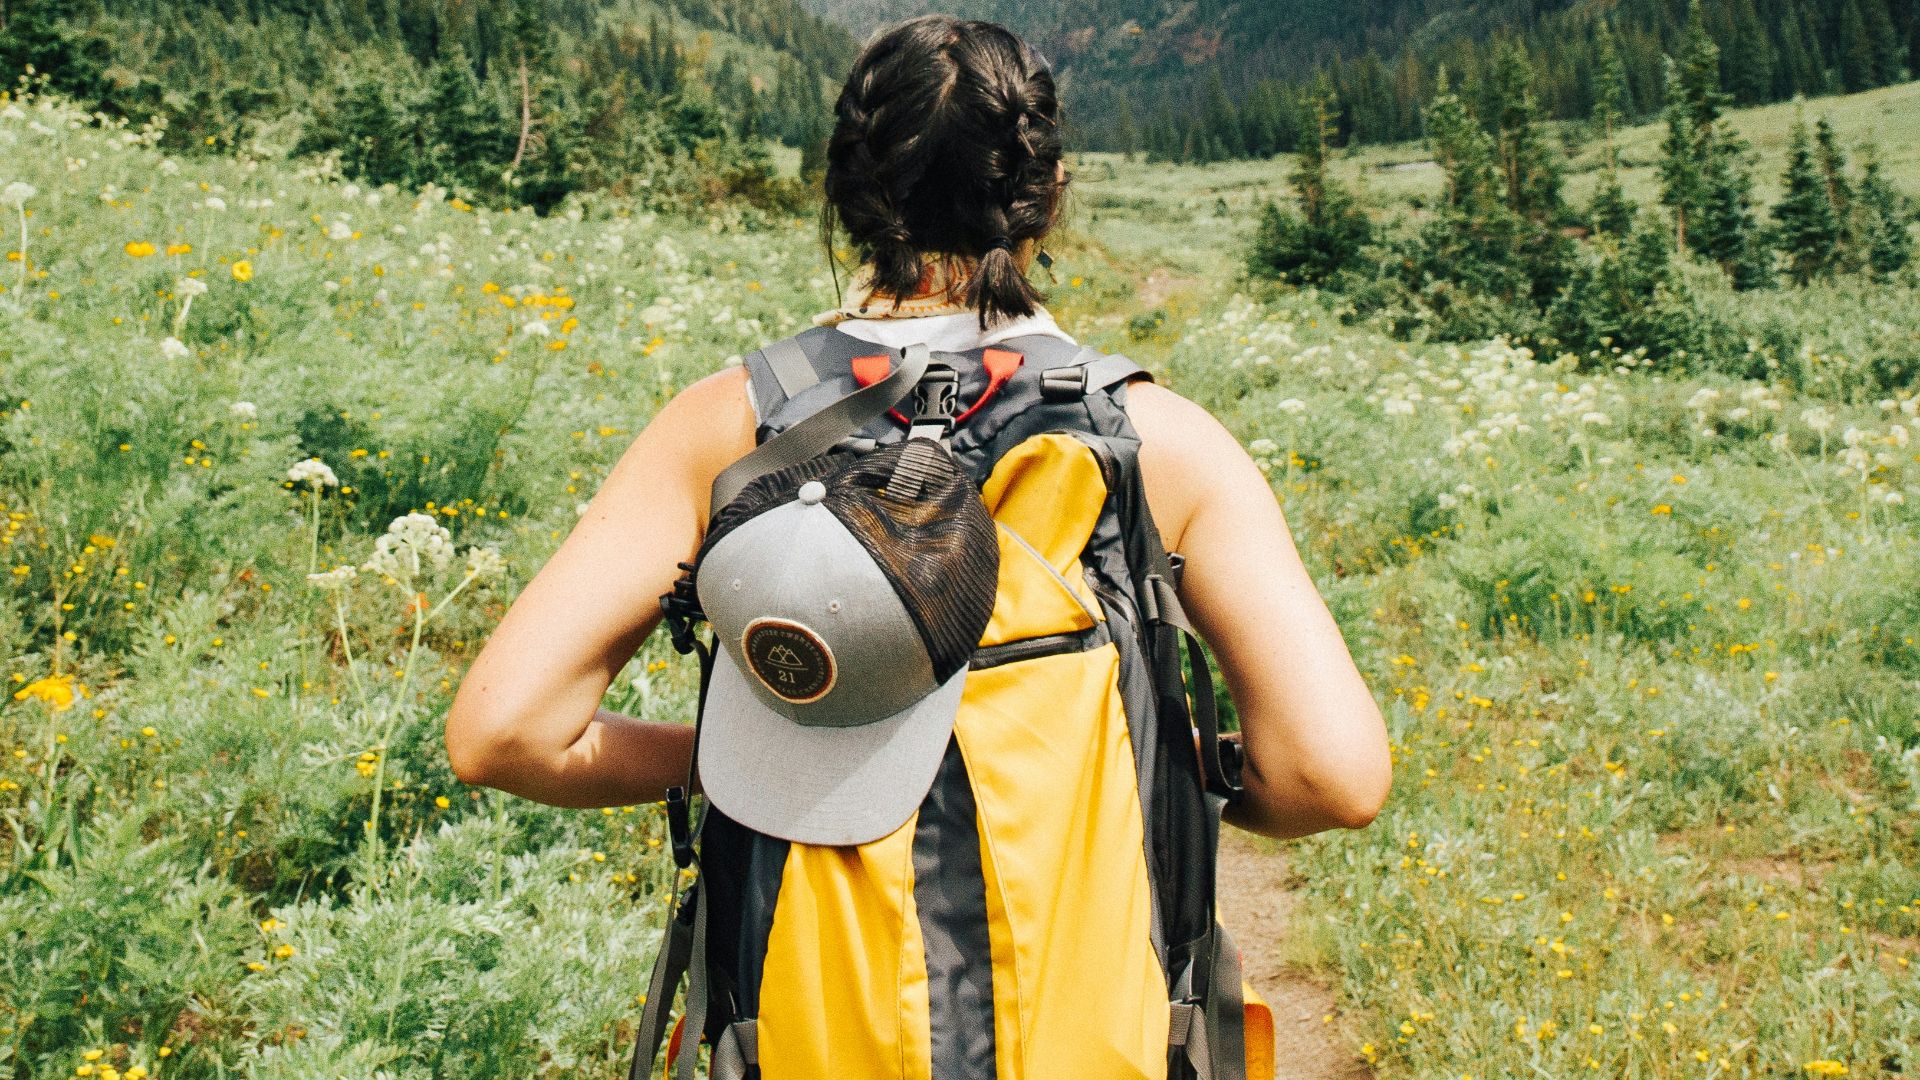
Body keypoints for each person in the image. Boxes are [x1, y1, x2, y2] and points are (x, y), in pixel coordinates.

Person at [445, 14, 1390, 1078]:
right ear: (1051, 189)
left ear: (846, 189)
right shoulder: (1156, 442)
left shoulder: (732, 428)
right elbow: (1335, 777)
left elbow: (503, 733)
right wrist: (1168, 768)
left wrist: (727, 763)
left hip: (807, 1037)